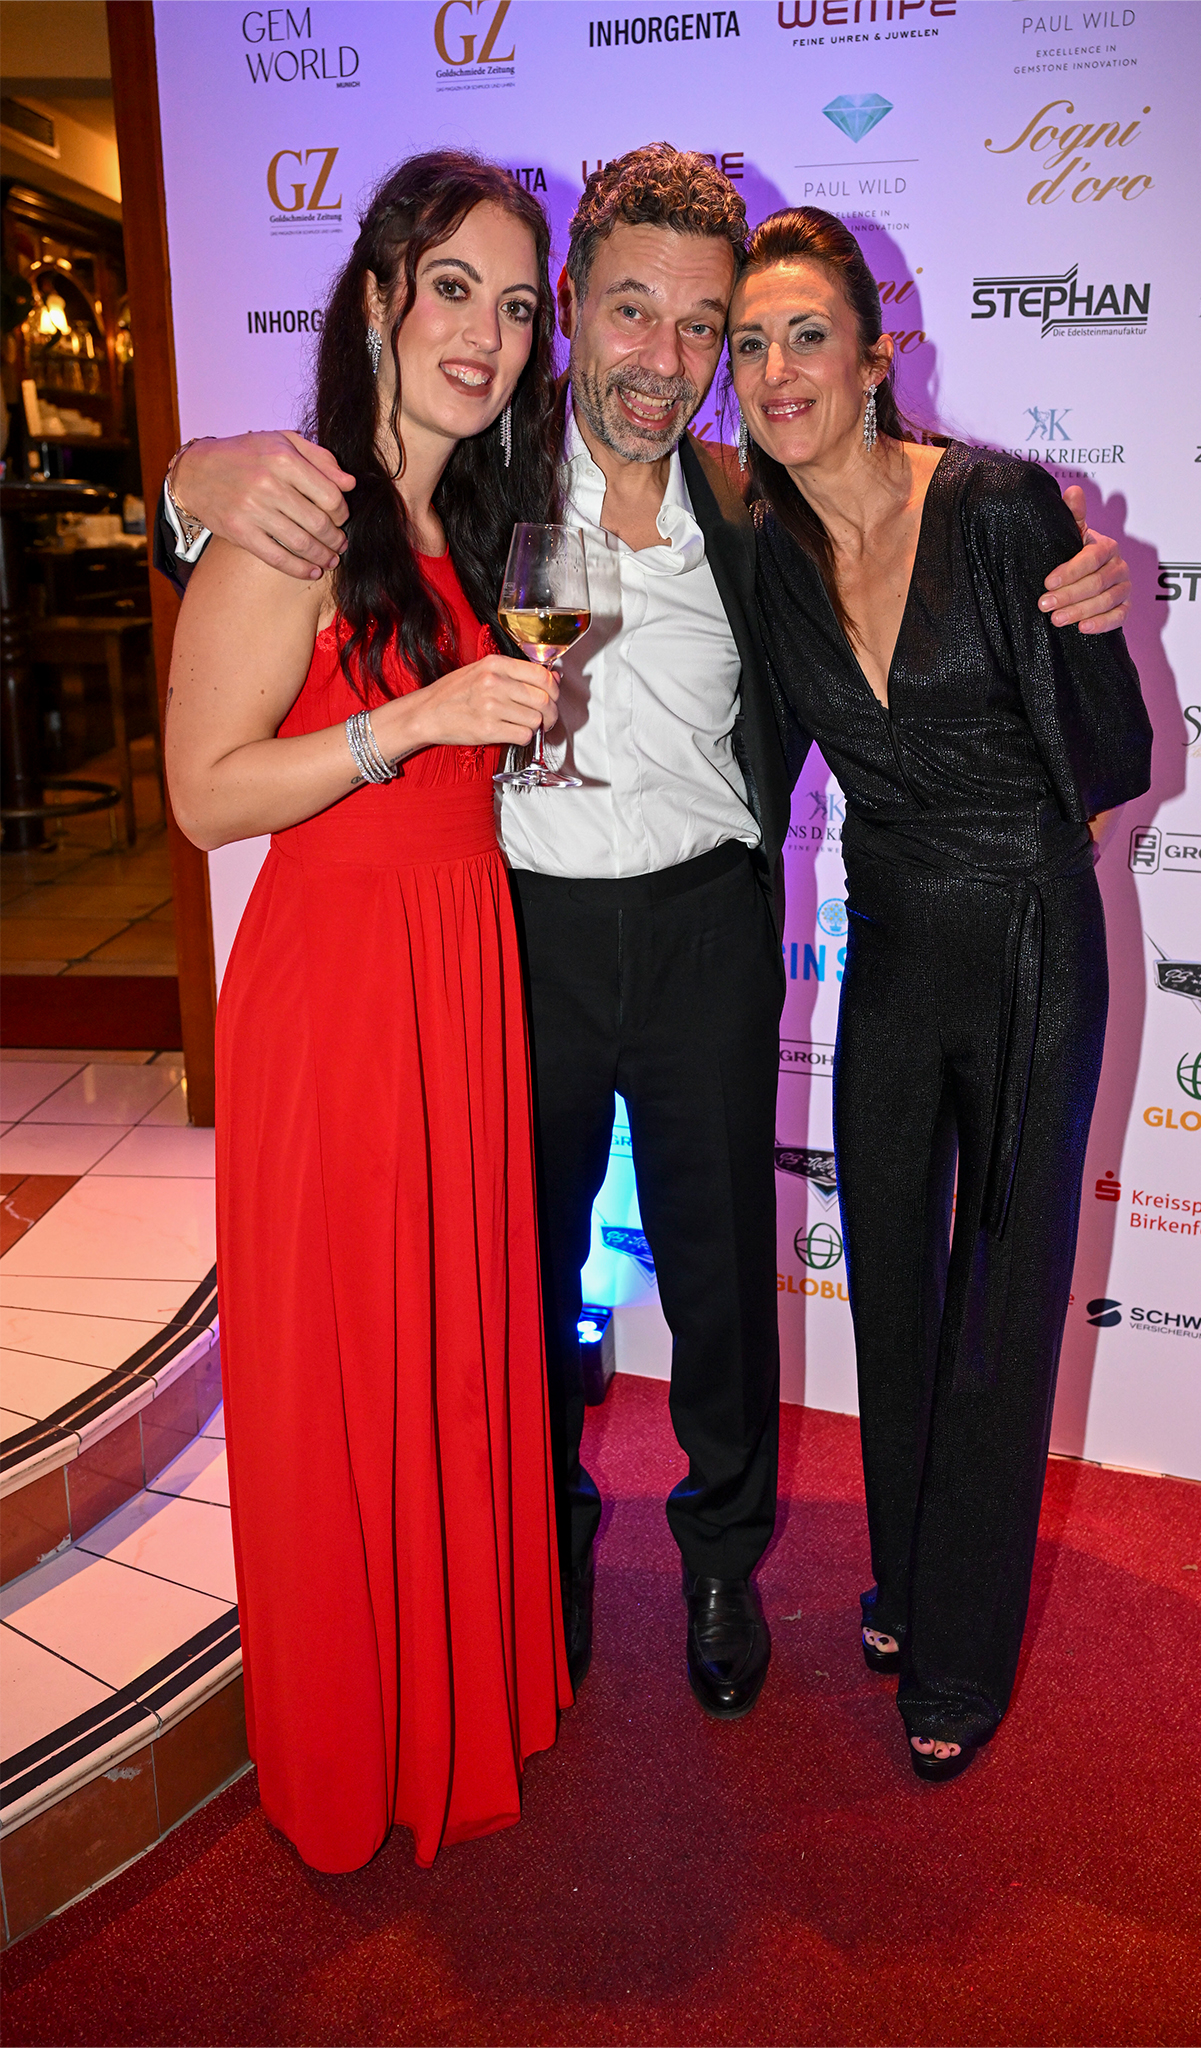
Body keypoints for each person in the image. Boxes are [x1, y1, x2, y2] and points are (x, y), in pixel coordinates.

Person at [158, 147, 1132, 1728]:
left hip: (704, 929)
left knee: (724, 1279)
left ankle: (722, 1560)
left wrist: (1057, 532)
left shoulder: (752, 505)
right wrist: (185, 482)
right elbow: (305, 526)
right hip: (516, 932)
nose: (663, 358)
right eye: (629, 311)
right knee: (518, 1275)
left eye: (699, 325)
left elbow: (905, 502)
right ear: (570, 311)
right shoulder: (482, 460)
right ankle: (539, 1550)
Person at [162, 151, 571, 1873]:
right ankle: (354, 1738)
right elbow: (203, 794)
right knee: (351, 1370)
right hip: (338, 1003)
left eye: (517, 305)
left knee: (448, 1355)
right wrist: (409, 727)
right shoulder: (300, 514)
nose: (486, 333)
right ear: (381, 295)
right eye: (454, 287)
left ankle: (452, 1698)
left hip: (455, 977)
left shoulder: (474, 525)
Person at [728, 207, 1152, 1781]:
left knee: (1001, 1297)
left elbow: (1109, 752)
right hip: (891, 945)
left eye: (808, 335)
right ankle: (905, 1584)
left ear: (873, 355)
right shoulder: (765, 551)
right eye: (748, 344)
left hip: (1031, 935)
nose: (777, 370)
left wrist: (1095, 580)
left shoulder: (994, 509)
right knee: (893, 1286)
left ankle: (959, 1659)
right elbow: (756, 766)